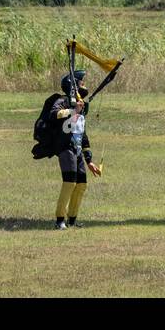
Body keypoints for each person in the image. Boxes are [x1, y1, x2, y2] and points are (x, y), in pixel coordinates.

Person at [48, 69, 102, 228]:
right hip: (65, 147)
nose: (84, 83)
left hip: (77, 149)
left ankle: (72, 219)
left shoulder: (82, 106)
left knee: (81, 184)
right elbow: (53, 114)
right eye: (81, 81)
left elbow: (82, 134)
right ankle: (60, 220)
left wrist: (89, 160)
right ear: (73, 85)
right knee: (69, 182)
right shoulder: (63, 101)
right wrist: (73, 110)